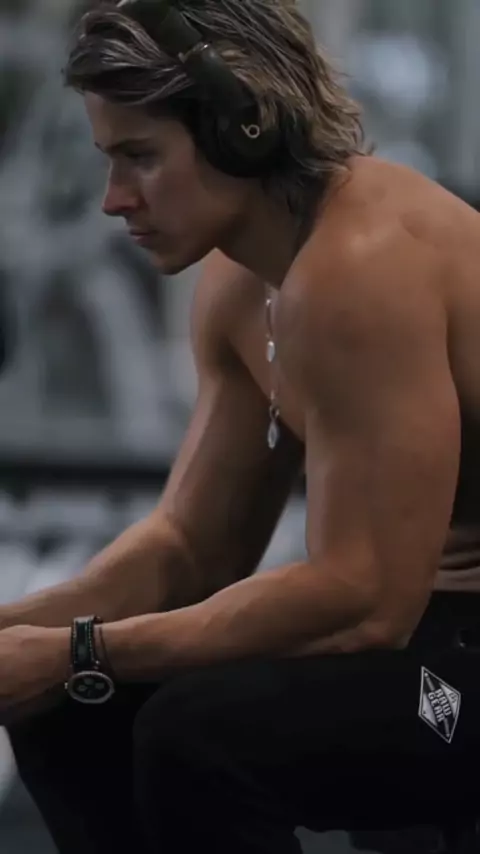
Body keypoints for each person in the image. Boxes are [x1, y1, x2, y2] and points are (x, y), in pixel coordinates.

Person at [2, 0, 480, 852]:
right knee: (64, 706)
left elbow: (362, 604)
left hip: (440, 633)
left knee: (193, 736)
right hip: (435, 623)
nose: (113, 200)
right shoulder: (240, 284)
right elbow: (193, 548)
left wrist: (79, 650)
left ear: (245, 128)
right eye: (111, 161)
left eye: (142, 158)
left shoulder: (364, 267)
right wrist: (24, 637)